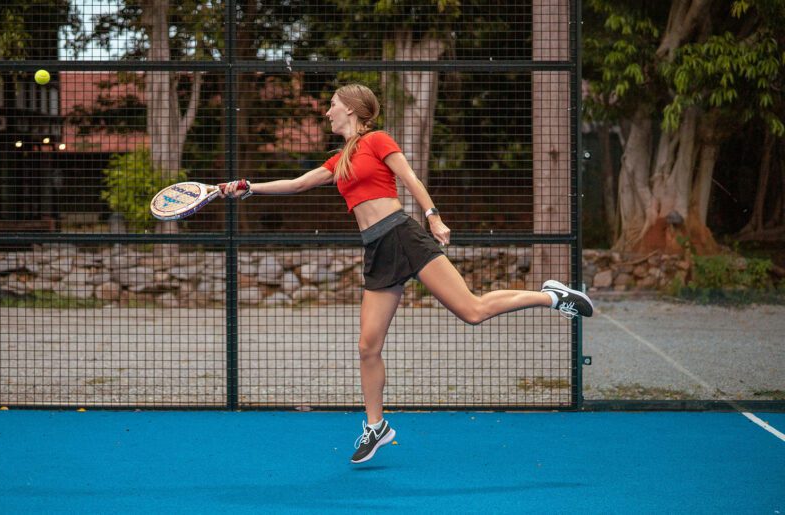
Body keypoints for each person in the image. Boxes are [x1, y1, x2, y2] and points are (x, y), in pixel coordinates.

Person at [221, 84, 593, 464]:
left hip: (404, 235)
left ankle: (552, 296)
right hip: (377, 249)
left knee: (472, 311)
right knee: (368, 346)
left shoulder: (378, 140)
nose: (327, 112)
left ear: (351, 109)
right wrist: (249, 187)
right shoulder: (341, 159)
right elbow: (298, 184)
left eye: (332, 105)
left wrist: (433, 217)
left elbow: (411, 178)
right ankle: (376, 426)